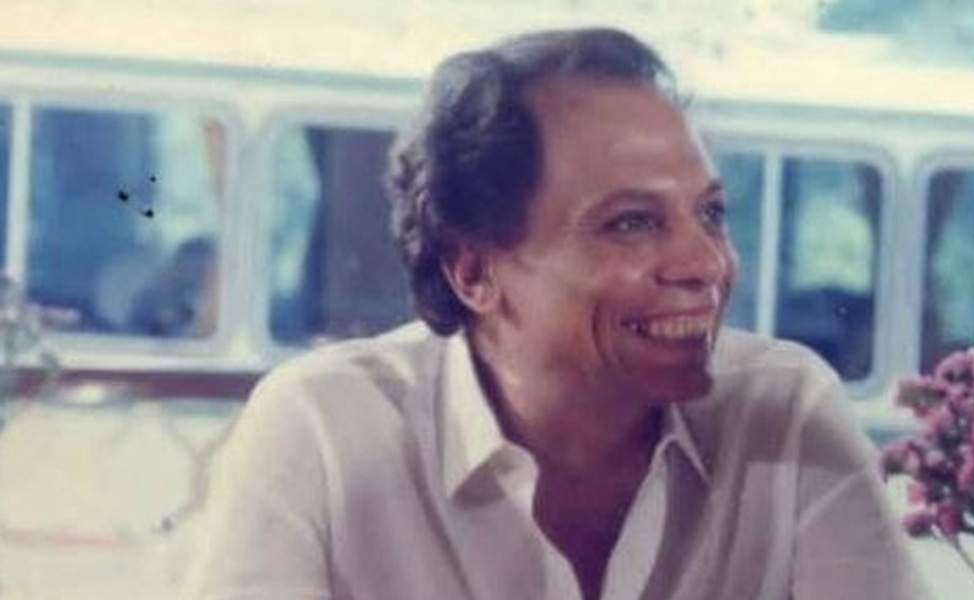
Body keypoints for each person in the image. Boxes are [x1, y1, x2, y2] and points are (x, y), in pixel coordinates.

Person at [184, 27, 931, 600]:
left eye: (710, 213)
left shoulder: (786, 412)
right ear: (475, 272)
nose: (706, 264)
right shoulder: (321, 428)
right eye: (631, 223)